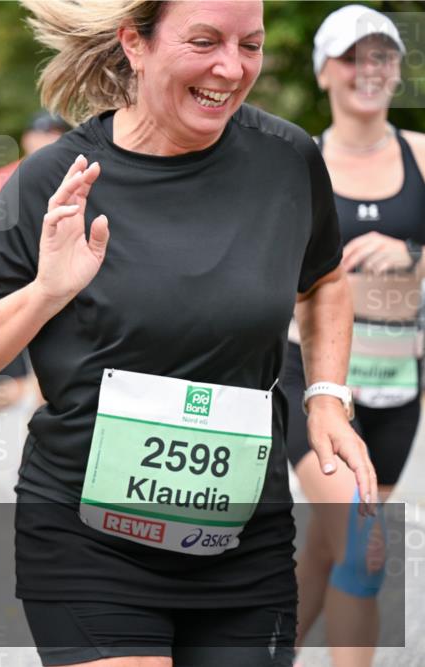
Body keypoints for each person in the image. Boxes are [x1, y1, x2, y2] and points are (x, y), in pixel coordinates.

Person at [0, 2, 378, 665]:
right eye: (204, 41)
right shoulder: (55, 181)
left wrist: (327, 396)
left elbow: (326, 280)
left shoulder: (287, 159)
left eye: (249, 44)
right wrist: (45, 292)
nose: (231, 66)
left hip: (242, 537)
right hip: (87, 535)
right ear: (134, 43)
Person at [283, 7, 425, 666]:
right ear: (323, 71)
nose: (368, 69)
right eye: (352, 56)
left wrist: (412, 254)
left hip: (397, 378)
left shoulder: (422, 154)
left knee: (330, 543)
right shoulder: (297, 160)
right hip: (313, 378)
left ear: (396, 70)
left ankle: (269, 652)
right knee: (364, 542)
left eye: (382, 56)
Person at [0, 111, 69, 471]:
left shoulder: (76, 178)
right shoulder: (1, 180)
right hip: (8, 298)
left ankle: (35, 464)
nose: (48, 140)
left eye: (56, 133)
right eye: (41, 133)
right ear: (27, 138)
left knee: (46, 389)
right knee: (9, 390)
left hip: (57, 300)